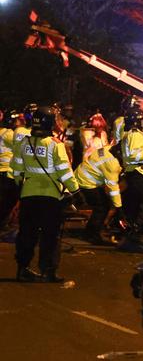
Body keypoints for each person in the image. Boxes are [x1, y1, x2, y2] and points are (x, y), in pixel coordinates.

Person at [14, 106, 79, 282]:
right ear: (50, 123)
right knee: (50, 235)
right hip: (50, 198)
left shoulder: (24, 143)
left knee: (27, 233)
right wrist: (75, 190)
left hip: (28, 195)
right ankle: (47, 270)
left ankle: (23, 268)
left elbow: (17, 170)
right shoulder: (55, 145)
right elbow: (64, 172)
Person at [118, 107, 143, 252]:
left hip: (134, 174)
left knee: (137, 204)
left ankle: (133, 235)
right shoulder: (136, 135)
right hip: (139, 173)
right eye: (142, 119)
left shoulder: (131, 134)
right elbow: (135, 155)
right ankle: (138, 233)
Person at [74, 144, 123, 245]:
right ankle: (92, 235)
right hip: (87, 182)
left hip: (81, 175)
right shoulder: (112, 164)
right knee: (102, 207)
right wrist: (118, 206)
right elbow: (112, 188)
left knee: (102, 204)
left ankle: (90, 232)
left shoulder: (107, 149)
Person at [0, 110, 21, 228]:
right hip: (7, 172)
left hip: (2, 171)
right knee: (9, 200)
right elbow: (23, 144)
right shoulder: (7, 134)